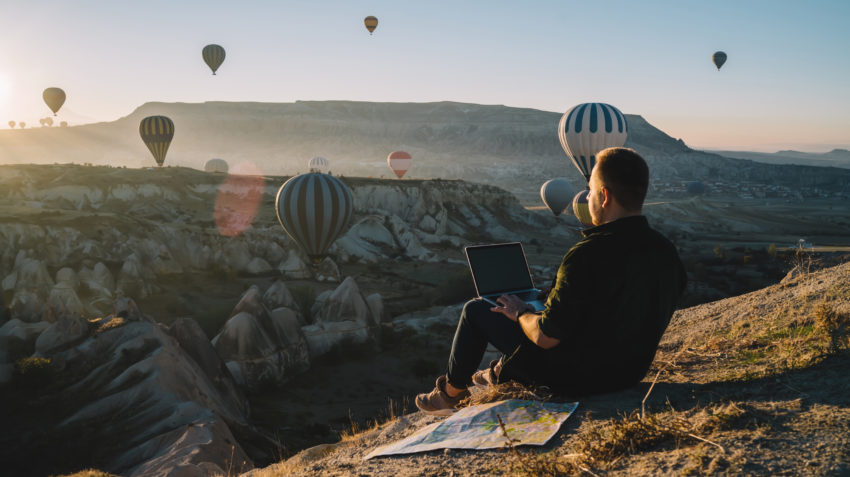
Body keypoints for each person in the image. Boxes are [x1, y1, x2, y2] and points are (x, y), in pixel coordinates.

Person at [415, 147, 687, 415]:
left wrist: (520, 312)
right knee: (534, 319)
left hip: (576, 380)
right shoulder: (666, 251)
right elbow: (620, 305)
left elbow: (546, 337)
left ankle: (450, 395)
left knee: (477, 310)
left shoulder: (586, 254)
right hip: (628, 374)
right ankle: (499, 372)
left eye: (590, 190)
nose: (588, 197)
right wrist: (561, 294)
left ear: (604, 196)